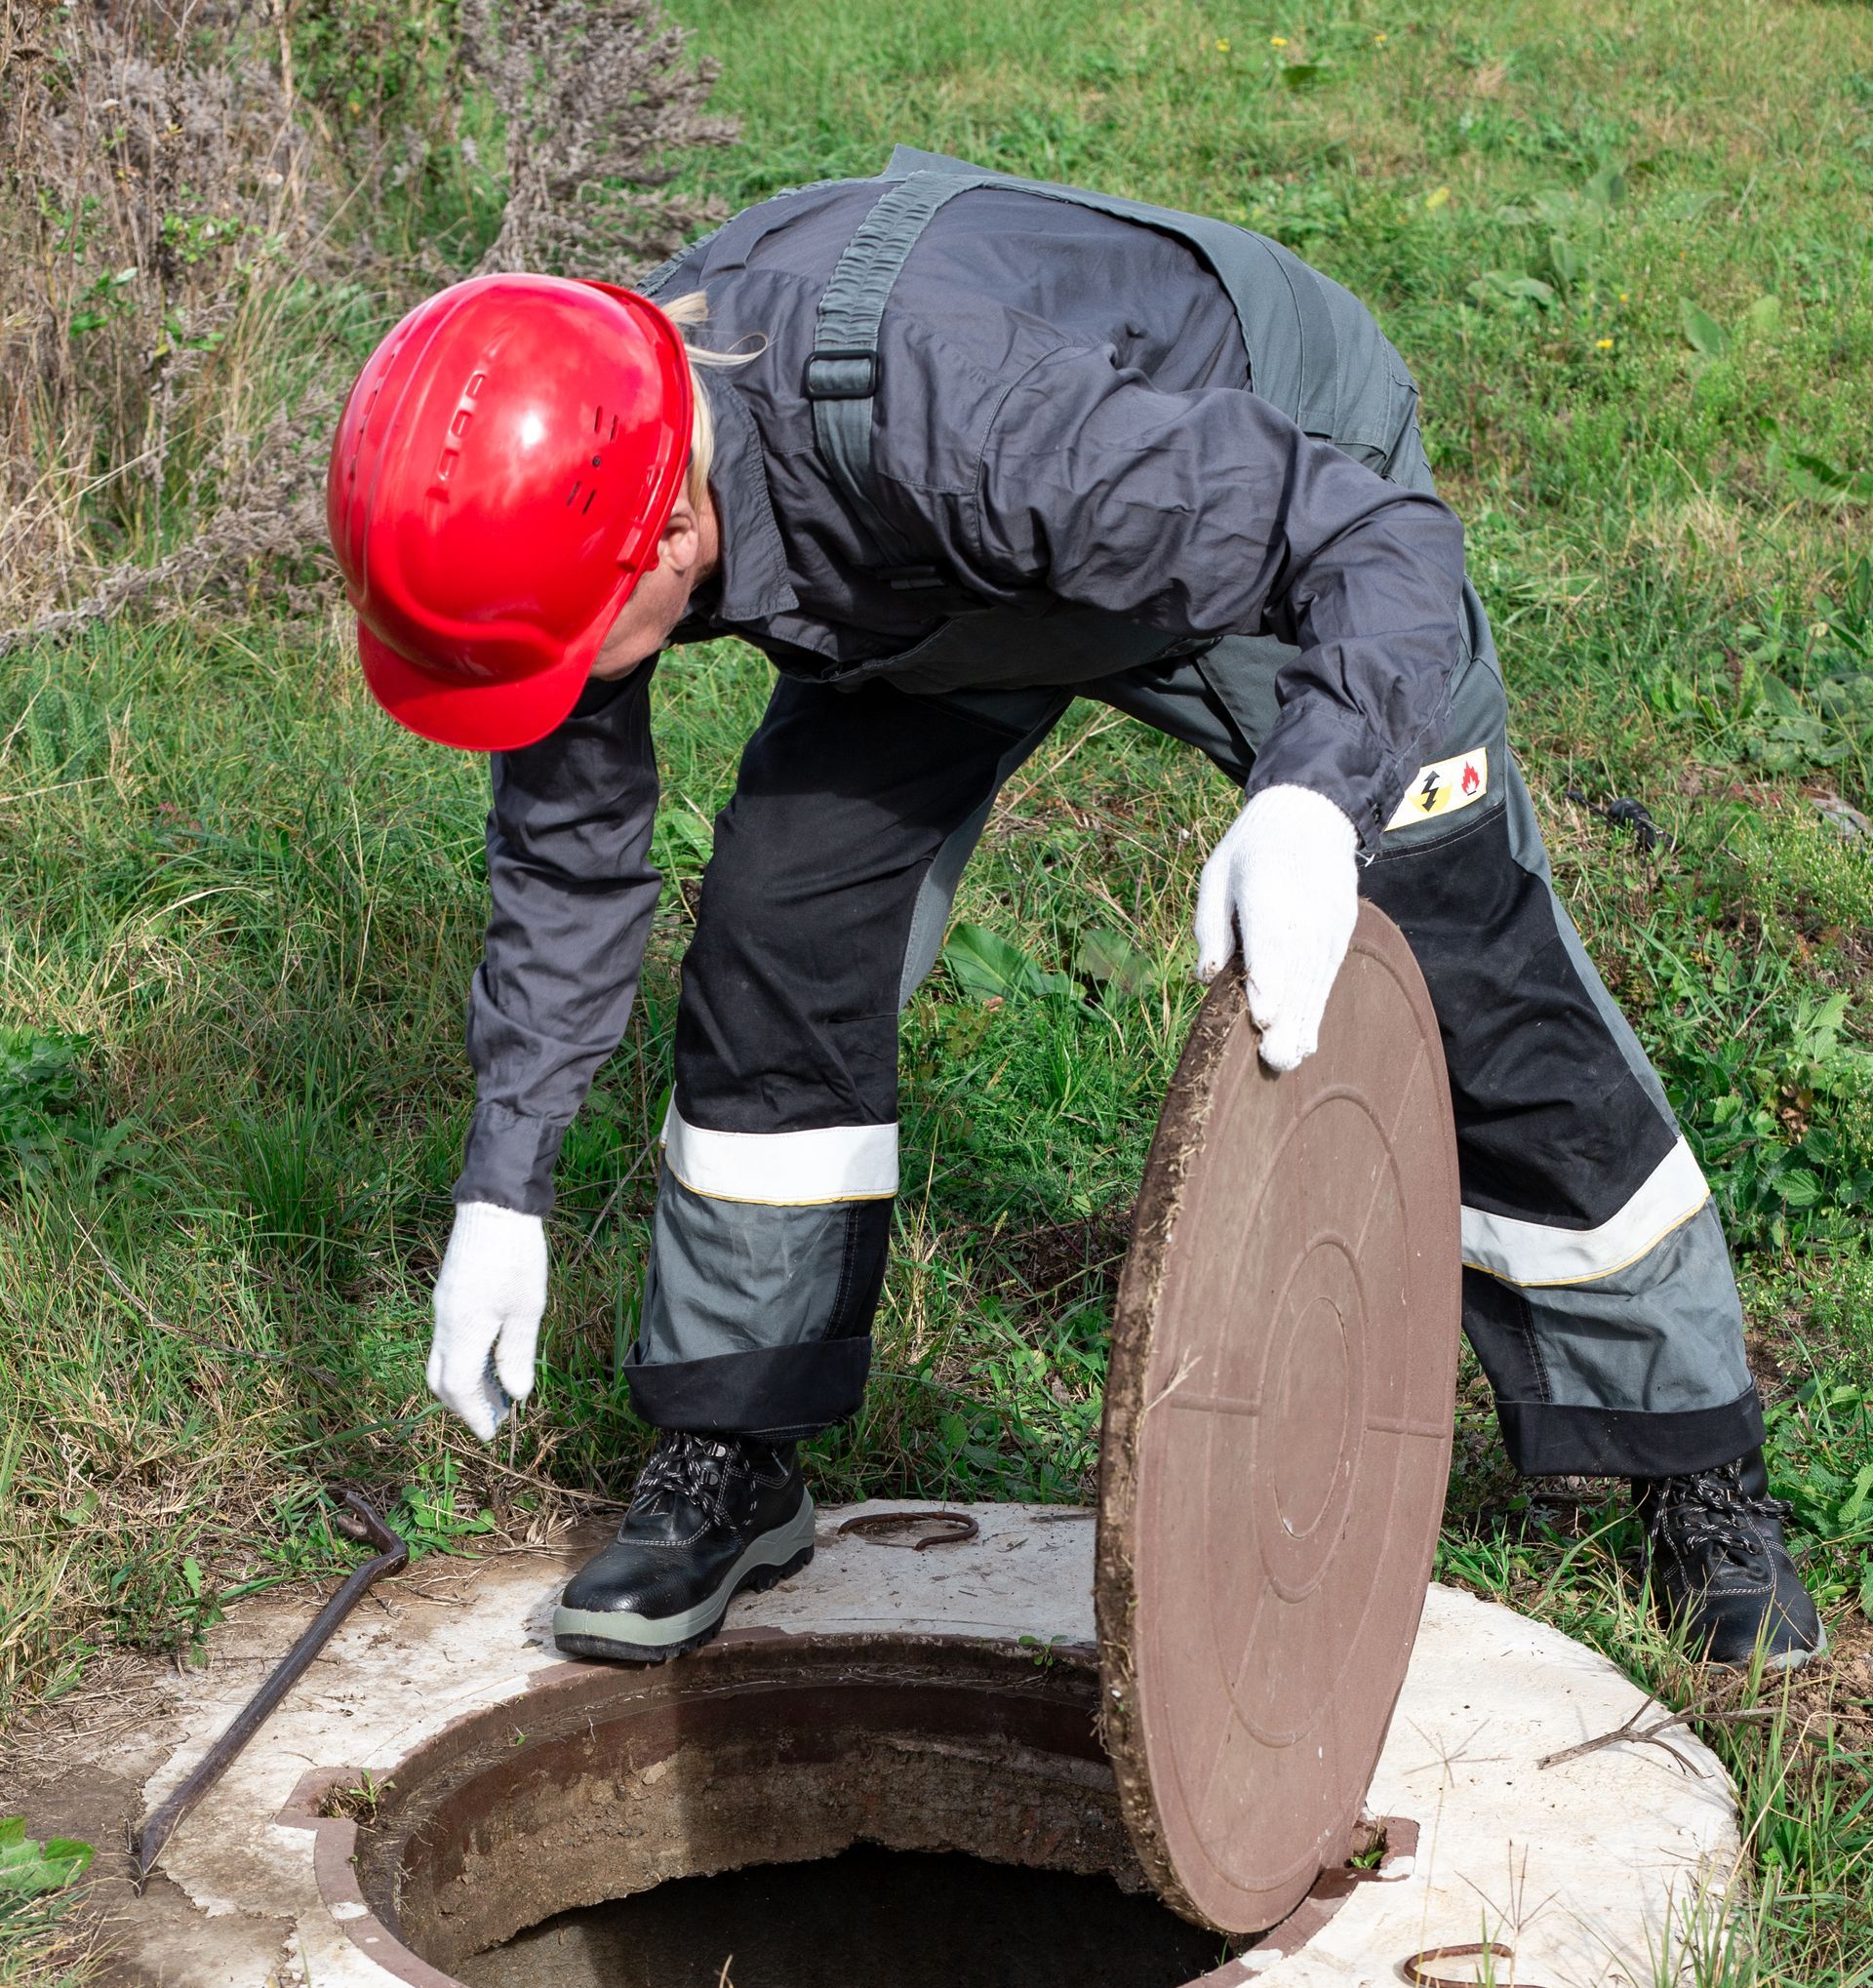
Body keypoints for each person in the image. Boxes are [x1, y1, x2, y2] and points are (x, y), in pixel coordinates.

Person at [328, 149, 1823, 1674]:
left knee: (1460, 948)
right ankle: (735, 1440)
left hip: (1266, 488)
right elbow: (570, 857)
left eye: (568, 658)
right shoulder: (572, 472)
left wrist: (1312, 799)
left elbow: (1375, 546)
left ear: (670, 536)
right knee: (783, 931)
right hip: (930, 574)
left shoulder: (960, 423)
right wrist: (502, 1186)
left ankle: (1690, 1466)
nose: (566, 694)